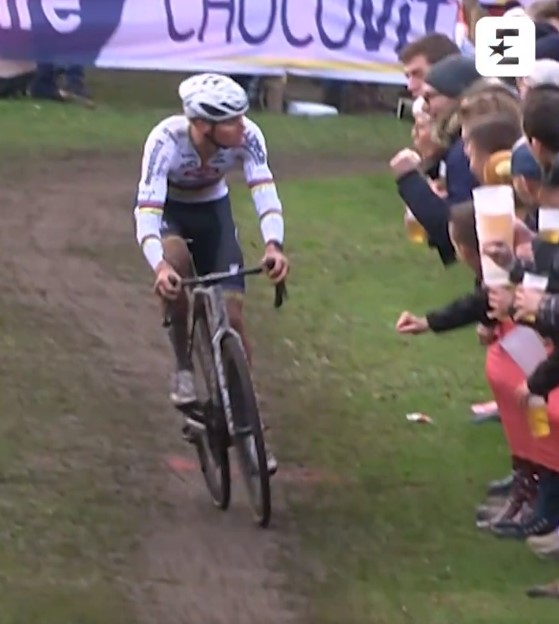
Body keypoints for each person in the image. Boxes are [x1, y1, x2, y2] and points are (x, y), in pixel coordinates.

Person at [133, 73, 289, 473]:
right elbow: (147, 212)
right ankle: (184, 368)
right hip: (171, 213)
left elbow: (264, 189)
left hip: (213, 213)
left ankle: (250, 430)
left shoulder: (249, 136)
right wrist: (161, 267)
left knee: (233, 319)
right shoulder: (165, 141)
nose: (243, 125)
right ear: (203, 126)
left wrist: (274, 244)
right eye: (231, 121)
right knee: (178, 265)